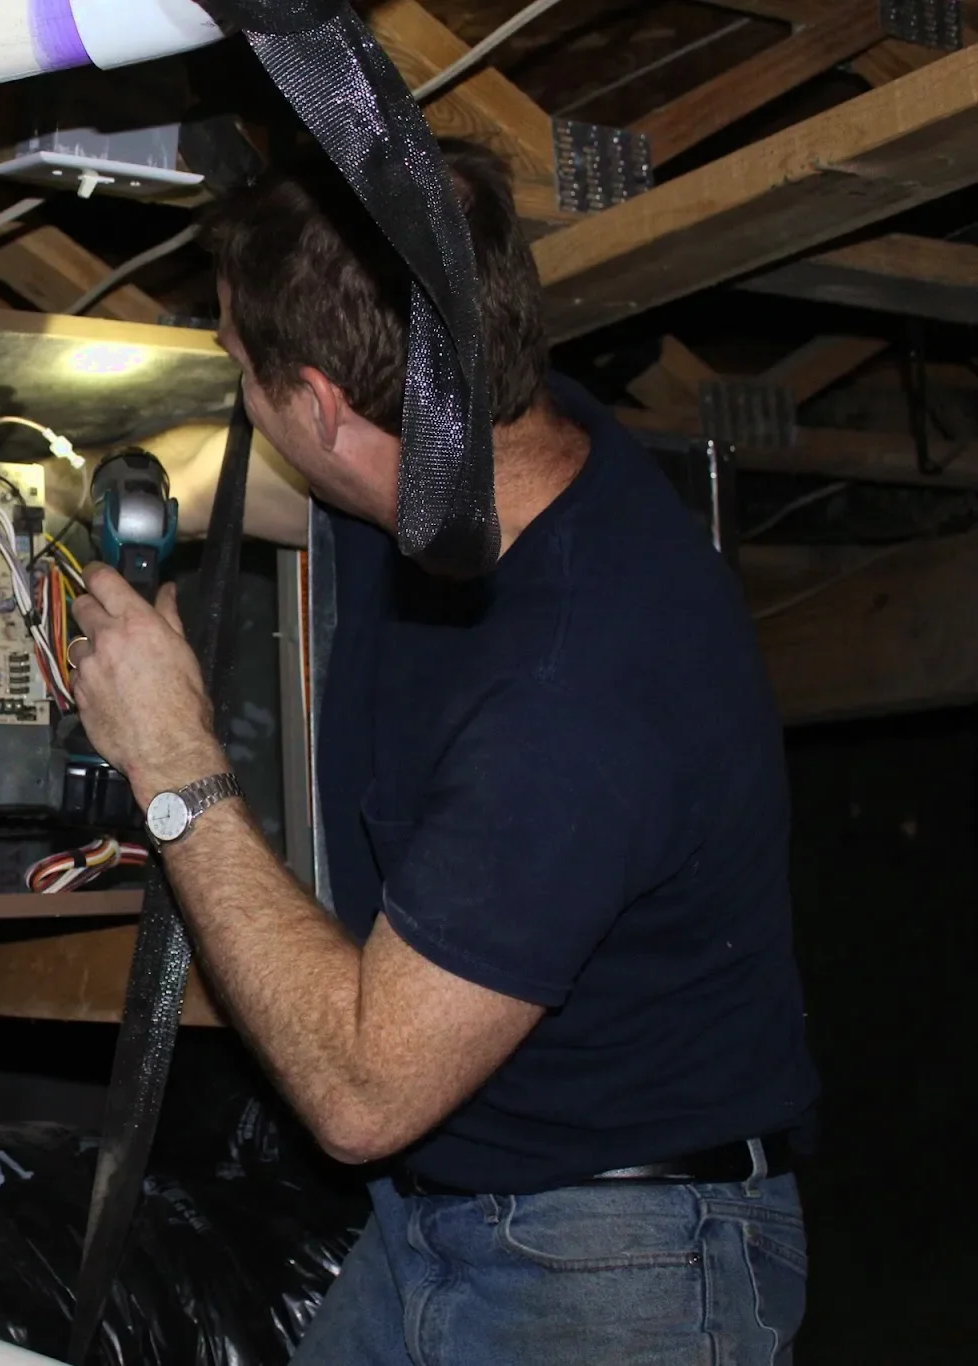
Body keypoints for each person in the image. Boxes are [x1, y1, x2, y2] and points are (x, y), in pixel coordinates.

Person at [66, 140, 818, 1364]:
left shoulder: (572, 691)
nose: (241, 400)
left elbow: (361, 1094)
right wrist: (78, 495)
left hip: (617, 1258)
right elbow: (269, 488)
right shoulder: (481, 445)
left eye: (241, 372)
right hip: (440, 1220)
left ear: (322, 404)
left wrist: (169, 759)